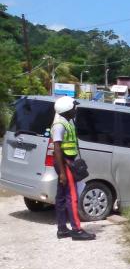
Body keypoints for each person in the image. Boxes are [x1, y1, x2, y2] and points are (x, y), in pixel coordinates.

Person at [51, 96, 95, 241]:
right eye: (74, 107)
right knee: (72, 197)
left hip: (67, 162)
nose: (75, 109)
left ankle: (62, 229)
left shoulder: (66, 122)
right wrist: (63, 173)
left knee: (62, 197)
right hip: (65, 164)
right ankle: (76, 229)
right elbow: (57, 148)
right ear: (67, 109)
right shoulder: (59, 125)